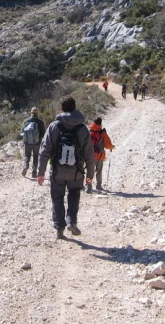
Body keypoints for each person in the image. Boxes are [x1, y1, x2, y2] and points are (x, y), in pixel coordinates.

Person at [37, 96, 95, 240]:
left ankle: (59, 228)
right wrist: (90, 174)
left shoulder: (54, 126)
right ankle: (71, 221)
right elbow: (89, 154)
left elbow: (44, 150)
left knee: (57, 197)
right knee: (74, 194)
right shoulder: (83, 129)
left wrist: (41, 171)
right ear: (75, 108)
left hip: (58, 170)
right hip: (77, 172)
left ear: (61, 109)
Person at [87, 117, 113, 192]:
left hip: (89, 155)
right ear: (100, 124)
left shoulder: (89, 130)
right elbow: (108, 145)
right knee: (99, 171)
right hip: (99, 156)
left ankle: (88, 186)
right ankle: (98, 186)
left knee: (90, 171)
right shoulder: (102, 133)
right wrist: (112, 147)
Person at [20, 107, 46, 178]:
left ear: (31, 113)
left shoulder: (26, 121)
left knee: (26, 156)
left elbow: (22, 132)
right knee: (36, 157)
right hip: (37, 143)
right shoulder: (40, 122)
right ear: (37, 113)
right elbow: (43, 134)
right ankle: (34, 173)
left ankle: (25, 167)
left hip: (27, 142)